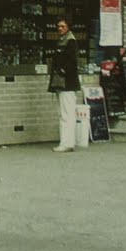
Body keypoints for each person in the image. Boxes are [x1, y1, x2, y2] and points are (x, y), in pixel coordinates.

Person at [48, 18, 81, 152]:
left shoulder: (70, 42)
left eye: (62, 26)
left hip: (67, 82)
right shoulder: (62, 41)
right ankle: (67, 141)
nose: (59, 28)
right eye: (58, 26)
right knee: (64, 113)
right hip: (62, 82)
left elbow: (72, 62)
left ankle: (66, 143)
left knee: (66, 113)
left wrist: (62, 71)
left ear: (68, 27)